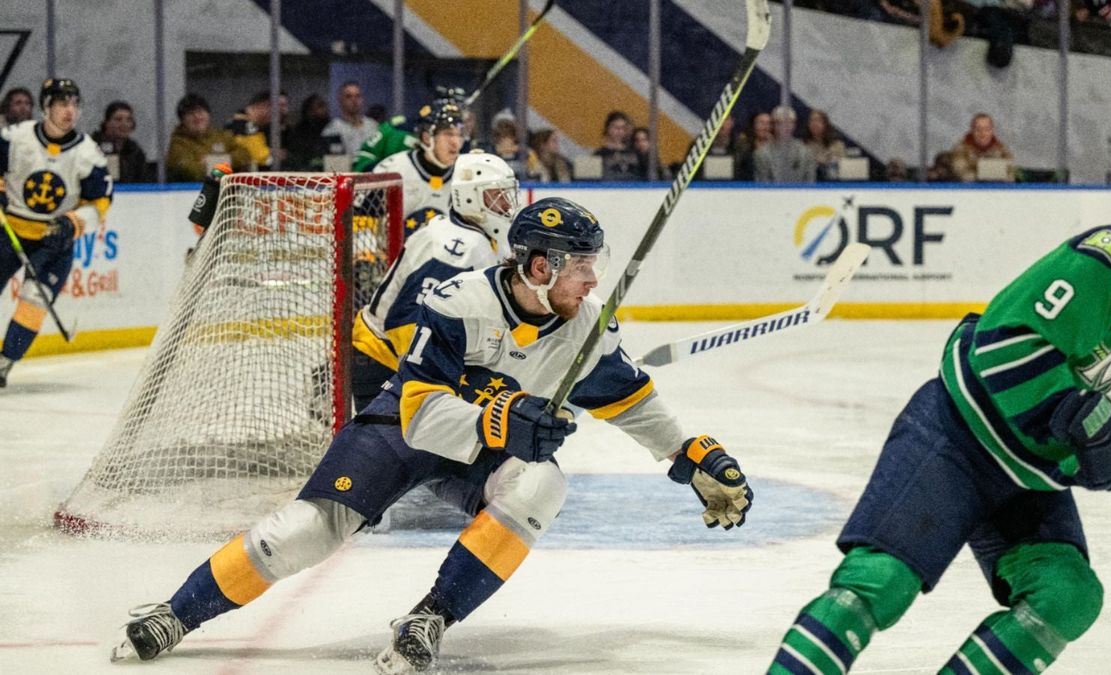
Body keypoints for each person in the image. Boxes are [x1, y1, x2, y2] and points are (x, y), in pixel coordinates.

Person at [112, 196, 754, 674]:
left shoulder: (585, 329)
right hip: (403, 433)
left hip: (478, 455)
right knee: (304, 532)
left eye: (595, 265)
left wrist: (691, 454)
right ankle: (175, 613)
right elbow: (419, 412)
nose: (593, 281)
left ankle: (429, 617)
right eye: (580, 266)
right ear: (537, 266)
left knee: (539, 486)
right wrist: (503, 418)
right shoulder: (459, 302)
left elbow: (634, 401)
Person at [769, 139, 1111, 674]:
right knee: (879, 584)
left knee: (1067, 595)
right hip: (958, 438)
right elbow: (1007, 342)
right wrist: (1081, 420)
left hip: (1030, 477)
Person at [350, 151, 518, 411]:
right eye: (496, 195)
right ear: (471, 197)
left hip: (391, 361)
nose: (506, 205)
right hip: (383, 363)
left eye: (507, 194)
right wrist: (445, 379)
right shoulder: (456, 248)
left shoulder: (474, 237)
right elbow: (407, 325)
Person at [0, 79, 113, 387]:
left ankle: (4, 362)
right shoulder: (15, 137)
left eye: (75, 104)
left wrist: (73, 222)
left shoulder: (88, 153)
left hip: (55, 240)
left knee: (34, 300)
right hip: (9, 228)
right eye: (62, 103)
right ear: (46, 106)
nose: (70, 111)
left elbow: (101, 202)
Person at [374, 98, 465, 234]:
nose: (456, 143)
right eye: (448, 134)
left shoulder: (465, 174)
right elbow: (361, 217)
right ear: (427, 138)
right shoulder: (393, 169)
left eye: (460, 135)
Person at [166, 93, 251, 182]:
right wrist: (229, 165)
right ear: (183, 120)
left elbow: (245, 156)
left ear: (208, 114)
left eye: (200, 112)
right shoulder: (178, 145)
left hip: (225, 190)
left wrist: (211, 161)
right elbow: (195, 173)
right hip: (192, 192)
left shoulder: (221, 136)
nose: (197, 117)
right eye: (190, 114)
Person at [90, 100, 152, 183]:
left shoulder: (135, 150)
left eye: (128, 120)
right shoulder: (93, 147)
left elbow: (143, 179)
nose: (124, 124)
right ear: (107, 123)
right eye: (118, 119)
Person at [226, 89, 288, 171]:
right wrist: (273, 153)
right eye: (274, 108)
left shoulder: (256, 125)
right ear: (262, 106)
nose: (276, 115)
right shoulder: (241, 123)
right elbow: (259, 156)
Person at [753, 105, 817, 183]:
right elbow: (762, 187)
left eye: (788, 122)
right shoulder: (761, 154)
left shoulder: (806, 153)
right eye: (779, 123)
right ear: (773, 125)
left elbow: (810, 185)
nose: (784, 126)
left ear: (794, 125)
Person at [950, 112, 1015, 182]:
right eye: (978, 129)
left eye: (987, 129)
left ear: (992, 130)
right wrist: (994, 173)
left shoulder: (1002, 149)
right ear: (972, 131)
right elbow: (963, 175)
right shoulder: (960, 149)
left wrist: (980, 171)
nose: (982, 133)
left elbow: (1010, 176)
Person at [323, 81, 378, 163]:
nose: (354, 100)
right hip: (348, 173)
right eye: (348, 97)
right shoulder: (332, 130)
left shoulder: (373, 126)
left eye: (358, 96)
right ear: (340, 100)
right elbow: (334, 164)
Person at [281, 94, 331, 171]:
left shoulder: (332, 128)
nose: (324, 109)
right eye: (320, 106)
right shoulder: (298, 133)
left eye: (325, 106)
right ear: (309, 111)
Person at [593, 110, 645, 181]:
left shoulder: (635, 153)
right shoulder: (600, 154)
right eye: (616, 128)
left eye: (623, 128)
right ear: (608, 128)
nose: (619, 131)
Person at [801, 109, 847, 181]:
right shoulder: (802, 145)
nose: (814, 124)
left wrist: (827, 162)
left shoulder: (837, 145)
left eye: (818, 120)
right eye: (812, 120)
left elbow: (842, 168)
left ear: (825, 124)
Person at [733, 111, 772, 181]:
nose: (766, 127)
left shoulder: (775, 146)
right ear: (753, 125)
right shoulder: (743, 146)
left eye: (768, 123)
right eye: (761, 123)